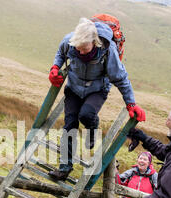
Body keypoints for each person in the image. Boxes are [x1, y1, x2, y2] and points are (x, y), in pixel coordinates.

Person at [47, 17, 146, 181]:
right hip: (73, 87)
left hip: (97, 89)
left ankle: (92, 129)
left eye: (85, 49)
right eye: (78, 49)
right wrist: (55, 67)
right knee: (69, 124)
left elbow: (121, 78)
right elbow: (60, 53)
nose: (81, 52)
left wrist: (131, 104)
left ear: (95, 42)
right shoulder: (69, 41)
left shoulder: (108, 50)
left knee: (86, 115)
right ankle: (64, 168)